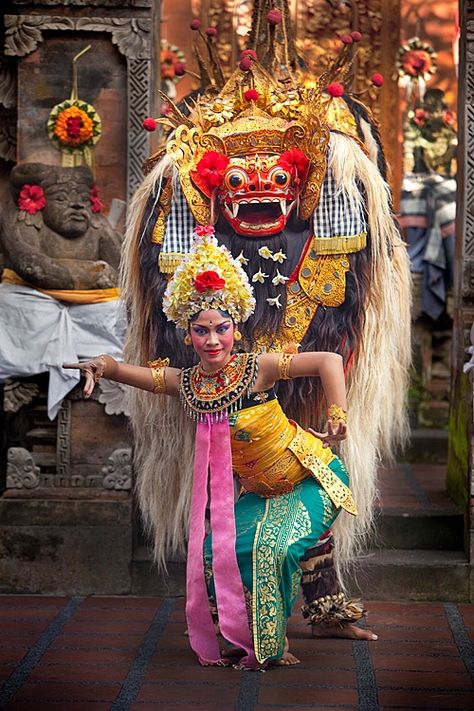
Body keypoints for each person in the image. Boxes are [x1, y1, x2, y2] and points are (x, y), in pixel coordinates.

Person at [64, 226, 356, 668]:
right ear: (188, 336)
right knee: (213, 551)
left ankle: (271, 643)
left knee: (272, 549)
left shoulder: (257, 369)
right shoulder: (190, 383)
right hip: (258, 493)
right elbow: (139, 375)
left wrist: (338, 419)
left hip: (309, 476)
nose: (213, 340)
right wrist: (102, 365)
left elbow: (328, 361)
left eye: (221, 329)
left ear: (236, 331)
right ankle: (236, 632)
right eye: (202, 331)